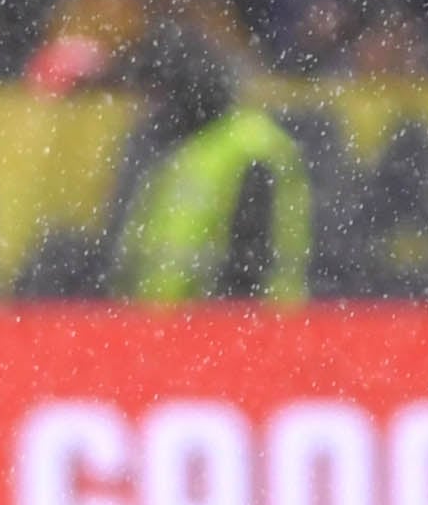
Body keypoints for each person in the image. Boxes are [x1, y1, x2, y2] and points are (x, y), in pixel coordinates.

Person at [111, 25, 309, 303]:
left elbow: (250, 268)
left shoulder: (250, 147)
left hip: (239, 331)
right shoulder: (181, 147)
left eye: (155, 96)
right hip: (169, 329)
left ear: (182, 90)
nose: (148, 110)